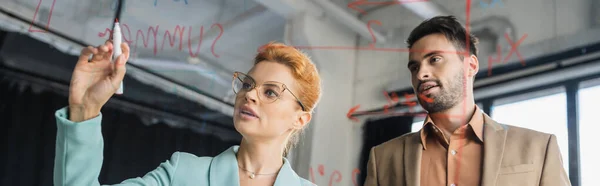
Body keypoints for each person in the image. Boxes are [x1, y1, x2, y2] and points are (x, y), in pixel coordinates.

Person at [53, 40, 321, 186]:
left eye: (271, 92)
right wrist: (85, 108)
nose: (250, 94)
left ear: (300, 119)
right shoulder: (183, 172)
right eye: (248, 84)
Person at [363, 15, 571, 186]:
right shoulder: (382, 159)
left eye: (434, 59)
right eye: (414, 67)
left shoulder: (539, 148)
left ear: (470, 66)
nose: (421, 74)